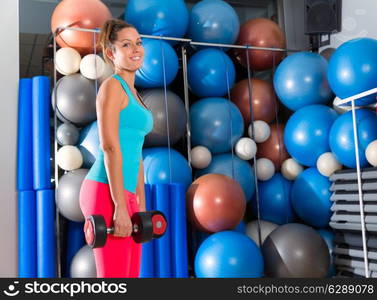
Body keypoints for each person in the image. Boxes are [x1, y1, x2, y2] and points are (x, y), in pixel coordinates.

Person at [79, 18, 153, 278]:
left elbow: (137, 153)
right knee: (114, 279)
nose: (136, 49)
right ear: (111, 53)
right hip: (105, 190)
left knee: (130, 277)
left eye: (139, 43)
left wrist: (139, 202)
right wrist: (120, 205)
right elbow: (110, 147)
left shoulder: (136, 94)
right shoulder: (113, 87)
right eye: (126, 44)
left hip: (127, 192)